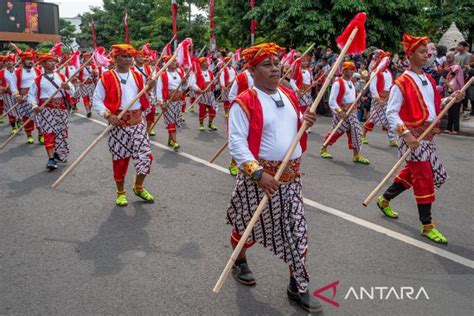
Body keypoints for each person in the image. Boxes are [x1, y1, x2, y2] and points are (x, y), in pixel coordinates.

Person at [226, 42, 322, 313]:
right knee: (248, 229)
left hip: (291, 179)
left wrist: (306, 120)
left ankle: (297, 286)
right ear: (252, 70)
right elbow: (236, 143)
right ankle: (239, 260)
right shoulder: (243, 102)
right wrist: (257, 173)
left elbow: (292, 127)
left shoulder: (289, 95)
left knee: (297, 233)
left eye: (276, 63)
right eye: (267, 65)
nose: (275, 69)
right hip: (260, 179)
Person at [379, 34, 464, 244]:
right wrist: (406, 134)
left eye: (427, 51)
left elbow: (431, 107)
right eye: (421, 51)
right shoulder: (401, 82)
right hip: (411, 137)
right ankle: (427, 225)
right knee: (424, 175)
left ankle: (385, 199)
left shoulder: (426, 78)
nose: (427, 54)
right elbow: (391, 112)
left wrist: (450, 99)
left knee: (413, 172)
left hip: (426, 137)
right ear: (410, 55)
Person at [93, 44, 155, 206]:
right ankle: (120, 192)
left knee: (145, 157)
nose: (128, 59)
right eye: (124, 57)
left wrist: (150, 88)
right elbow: (97, 100)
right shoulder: (106, 77)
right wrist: (108, 115)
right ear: (115, 59)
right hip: (118, 125)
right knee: (120, 160)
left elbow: (146, 98)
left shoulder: (138, 75)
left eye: (130, 56)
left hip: (137, 124)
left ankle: (138, 187)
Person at [28, 53, 75, 170]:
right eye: (50, 61)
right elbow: (31, 96)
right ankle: (50, 159)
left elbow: (73, 92)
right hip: (46, 110)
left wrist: (68, 87)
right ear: (42, 64)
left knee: (62, 132)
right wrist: (34, 106)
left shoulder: (62, 77)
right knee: (49, 132)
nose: (53, 63)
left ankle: (59, 154)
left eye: (54, 61)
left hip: (62, 109)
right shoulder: (38, 80)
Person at [320, 62, 370, 164]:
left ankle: (356, 155)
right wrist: (339, 111)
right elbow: (332, 101)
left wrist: (359, 96)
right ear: (345, 70)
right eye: (351, 69)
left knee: (356, 132)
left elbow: (351, 97)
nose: (353, 71)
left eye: (353, 69)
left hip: (352, 113)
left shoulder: (351, 82)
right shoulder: (337, 83)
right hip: (341, 112)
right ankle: (324, 148)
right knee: (337, 132)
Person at [362, 51, 397, 147]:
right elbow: (373, 88)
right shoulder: (375, 72)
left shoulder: (388, 72)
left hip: (387, 99)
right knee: (373, 119)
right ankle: (363, 135)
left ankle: (392, 139)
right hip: (378, 99)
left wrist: (390, 95)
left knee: (389, 119)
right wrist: (378, 99)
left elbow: (390, 85)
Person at [9, 50, 43, 144]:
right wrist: (17, 96)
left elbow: (42, 83)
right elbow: (13, 85)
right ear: (23, 61)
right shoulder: (17, 72)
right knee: (27, 117)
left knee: (39, 116)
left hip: (35, 97)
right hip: (23, 98)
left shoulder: (38, 71)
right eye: (28, 59)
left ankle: (41, 135)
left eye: (31, 59)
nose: (30, 61)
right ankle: (29, 135)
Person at [155, 55, 187, 151]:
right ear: (167, 64)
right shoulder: (163, 75)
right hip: (167, 102)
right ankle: (175, 141)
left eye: (174, 61)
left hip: (177, 101)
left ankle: (170, 140)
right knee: (171, 121)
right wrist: (161, 102)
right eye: (172, 62)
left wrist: (185, 82)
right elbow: (159, 89)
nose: (174, 63)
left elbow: (184, 88)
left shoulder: (180, 73)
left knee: (175, 120)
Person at [191, 57, 218, 131]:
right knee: (202, 109)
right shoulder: (197, 73)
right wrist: (199, 90)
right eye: (205, 62)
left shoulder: (210, 72)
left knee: (213, 108)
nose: (207, 63)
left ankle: (210, 123)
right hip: (201, 94)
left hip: (210, 93)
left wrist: (217, 79)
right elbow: (192, 84)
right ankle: (201, 124)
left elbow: (214, 82)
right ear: (201, 63)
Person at [444, 65, 464, 134]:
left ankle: (456, 129)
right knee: (450, 113)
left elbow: (456, 90)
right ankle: (448, 128)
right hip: (450, 97)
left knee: (455, 114)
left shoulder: (459, 79)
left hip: (456, 98)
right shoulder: (452, 77)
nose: (452, 71)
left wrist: (448, 84)